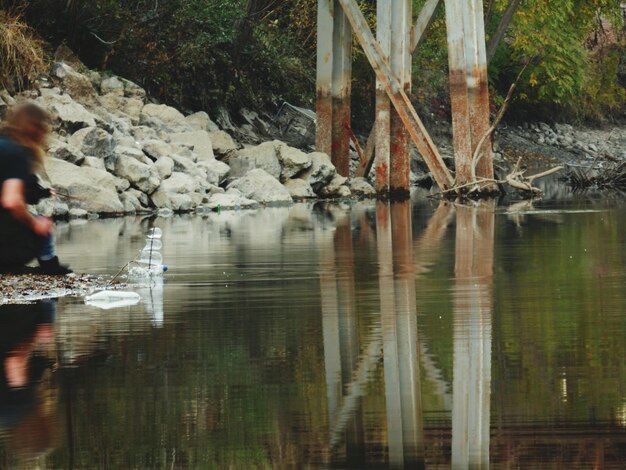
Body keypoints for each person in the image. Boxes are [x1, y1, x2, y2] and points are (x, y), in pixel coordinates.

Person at [0, 102, 71, 275]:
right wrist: (36, 225)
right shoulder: (17, 153)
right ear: (37, 130)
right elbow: (11, 201)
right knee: (41, 224)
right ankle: (49, 265)